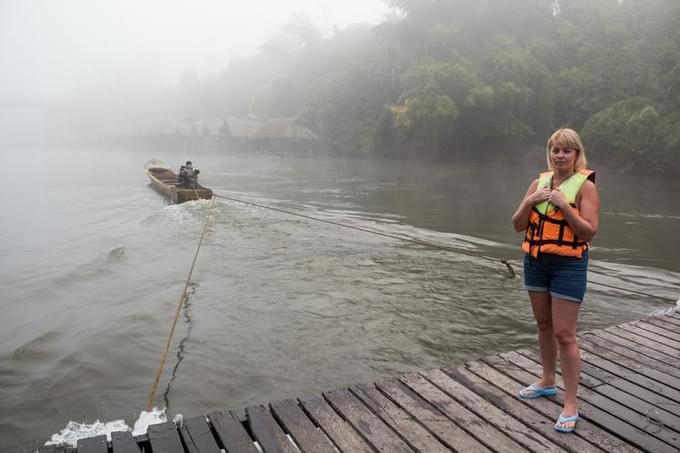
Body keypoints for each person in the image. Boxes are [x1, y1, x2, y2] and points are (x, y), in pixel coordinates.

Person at [511, 128, 600, 433]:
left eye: (567, 150)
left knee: (565, 334)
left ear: (577, 154)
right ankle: (548, 381)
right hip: (536, 262)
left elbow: (588, 232)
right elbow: (517, 225)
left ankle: (571, 402)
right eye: (555, 150)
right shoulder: (538, 183)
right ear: (549, 153)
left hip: (568, 266)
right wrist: (530, 200)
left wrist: (563, 205)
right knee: (544, 325)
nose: (560, 155)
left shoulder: (584, 188)